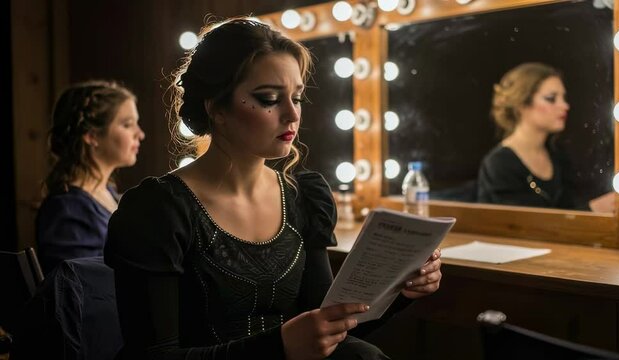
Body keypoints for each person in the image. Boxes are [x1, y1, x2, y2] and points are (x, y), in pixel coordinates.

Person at [105, 17, 442, 359]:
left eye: (297, 98)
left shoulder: (303, 197)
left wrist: (401, 290)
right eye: (269, 99)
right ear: (216, 107)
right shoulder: (158, 210)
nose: (292, 115)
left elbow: (327, 328)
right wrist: (279, 347)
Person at [36, 80, 145, 274]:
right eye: (127, 124)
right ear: (92, 136)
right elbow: (82, 288)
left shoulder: (108, 194)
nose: (140, 134)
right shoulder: (67, 210)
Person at [477, 62, 614, 211]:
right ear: (521, 104)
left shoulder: (558, 156)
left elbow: (567, 210)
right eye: (551, 98)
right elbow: (521, 227)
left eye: (563, 98)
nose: (565, 106)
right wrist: (592, 209)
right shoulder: (499, 165)